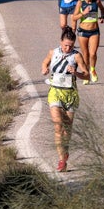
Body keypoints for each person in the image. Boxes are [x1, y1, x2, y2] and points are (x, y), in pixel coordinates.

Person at [41, 26, 90, 172]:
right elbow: (45, 63)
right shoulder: (53, 52)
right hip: (55, 92)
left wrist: (76, 73)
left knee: (67, 130)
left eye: (71, 46)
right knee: (58, 126)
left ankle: (65, 152)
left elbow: (87, 75)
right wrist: (44, 69)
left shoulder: (77, 56)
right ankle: (62, 160)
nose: (68, 48)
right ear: (61, 42)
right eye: (65, 45)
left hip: (71, 94)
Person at [71, 0, 103, 83]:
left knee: (92, 53)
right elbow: (73, 17)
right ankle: (86, 74)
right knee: (85, 54)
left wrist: (102, 16)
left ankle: (92, 70)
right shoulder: (80, 3)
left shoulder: (96, 1)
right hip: (82, 31)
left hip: (94, 31)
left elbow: (102, 9)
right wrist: (83, 13)